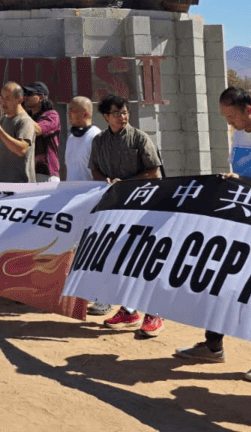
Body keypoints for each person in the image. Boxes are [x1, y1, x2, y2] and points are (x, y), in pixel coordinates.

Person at [175, 86, 251, 381]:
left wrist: (248, 183)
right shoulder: (239, 135)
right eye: (226, 118)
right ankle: (213, 345)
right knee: (222, 281)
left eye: (232, 117)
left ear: (248, 110)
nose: (230, 124)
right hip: (238, 222)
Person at [88, 95, 165, 337]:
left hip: (143, 209)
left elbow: (154, 171)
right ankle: (128, 310)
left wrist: (127, 184)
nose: (123, 117)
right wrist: (107, 182)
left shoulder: (140, 138)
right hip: (115, 209)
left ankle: (154, 314)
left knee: (143, 260)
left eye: (125, 112)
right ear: (106, 117)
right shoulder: (99, 141)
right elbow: (95, 169)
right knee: (119, 260)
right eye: (117, 113)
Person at [0, 82, 37, 183]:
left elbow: (21, 150)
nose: (3, 102)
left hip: (18, 188)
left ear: (20, 99)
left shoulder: (25, 121)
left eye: (8, 98)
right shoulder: (4, 119)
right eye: (2, 98)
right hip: (0, 185)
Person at [24, 81, 61, 182]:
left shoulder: (52, 115)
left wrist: (19, 111)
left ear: (41, 97)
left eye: (30, 94)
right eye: (25, 94)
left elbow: (36, 130)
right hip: (29, 172)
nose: (25, 97)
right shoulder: (28, 116)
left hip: (46, 173)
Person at [60, 96, 102, 183]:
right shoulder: (71, 138)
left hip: (88, 194)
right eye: (69, 111)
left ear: (85, 114)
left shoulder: (96, 136)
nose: (68, 114)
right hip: (70, 193)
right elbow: (66, 167)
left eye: (72, 111)